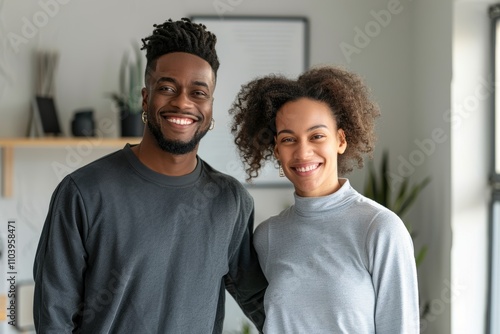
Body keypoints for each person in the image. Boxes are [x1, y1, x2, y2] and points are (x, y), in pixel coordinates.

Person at [33, 18, 267, 333]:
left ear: (210, 108)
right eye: (168, 88)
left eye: (198, 93)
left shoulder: (231, 201)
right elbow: (53, 318)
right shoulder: (83, 192)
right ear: (146, 98)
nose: (183, 102)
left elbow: (262, 302)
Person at [229, 66, 420, 333]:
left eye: (317, 136)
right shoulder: (267, 236)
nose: (303, 151)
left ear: (340, 140)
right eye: (288, 139)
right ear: (277, 150)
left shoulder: (380, 228)